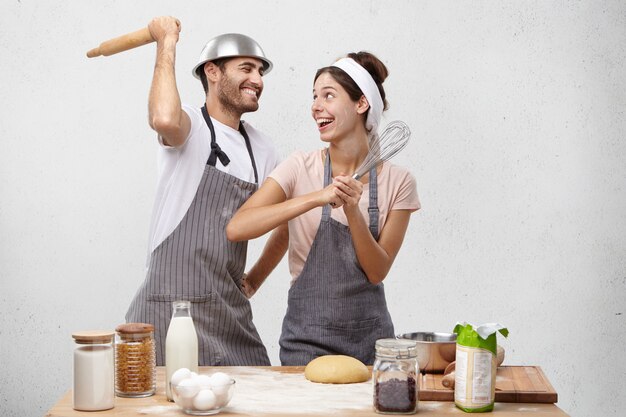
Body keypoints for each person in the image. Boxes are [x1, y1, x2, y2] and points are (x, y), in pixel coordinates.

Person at [226, 51, 420, 365]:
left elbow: (377, 271)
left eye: (328, 95)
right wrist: (317, 196)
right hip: (305, 346)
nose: (317, 106)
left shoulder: (399, 183)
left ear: (361, 104)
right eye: (314, 96)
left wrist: (354, 210)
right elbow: (238, 227)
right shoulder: (298, 167)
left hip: (372, 348)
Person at [125, 16, 287, 366]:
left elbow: (287, 220)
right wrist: (166, 42)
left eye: (261, 72)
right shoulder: (190, 125)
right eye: (247, 68)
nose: (258, 80)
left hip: (228, 313)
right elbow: (164, 120)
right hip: (168, 310)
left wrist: (255, 279)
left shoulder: (264, 150)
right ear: (212, 72)